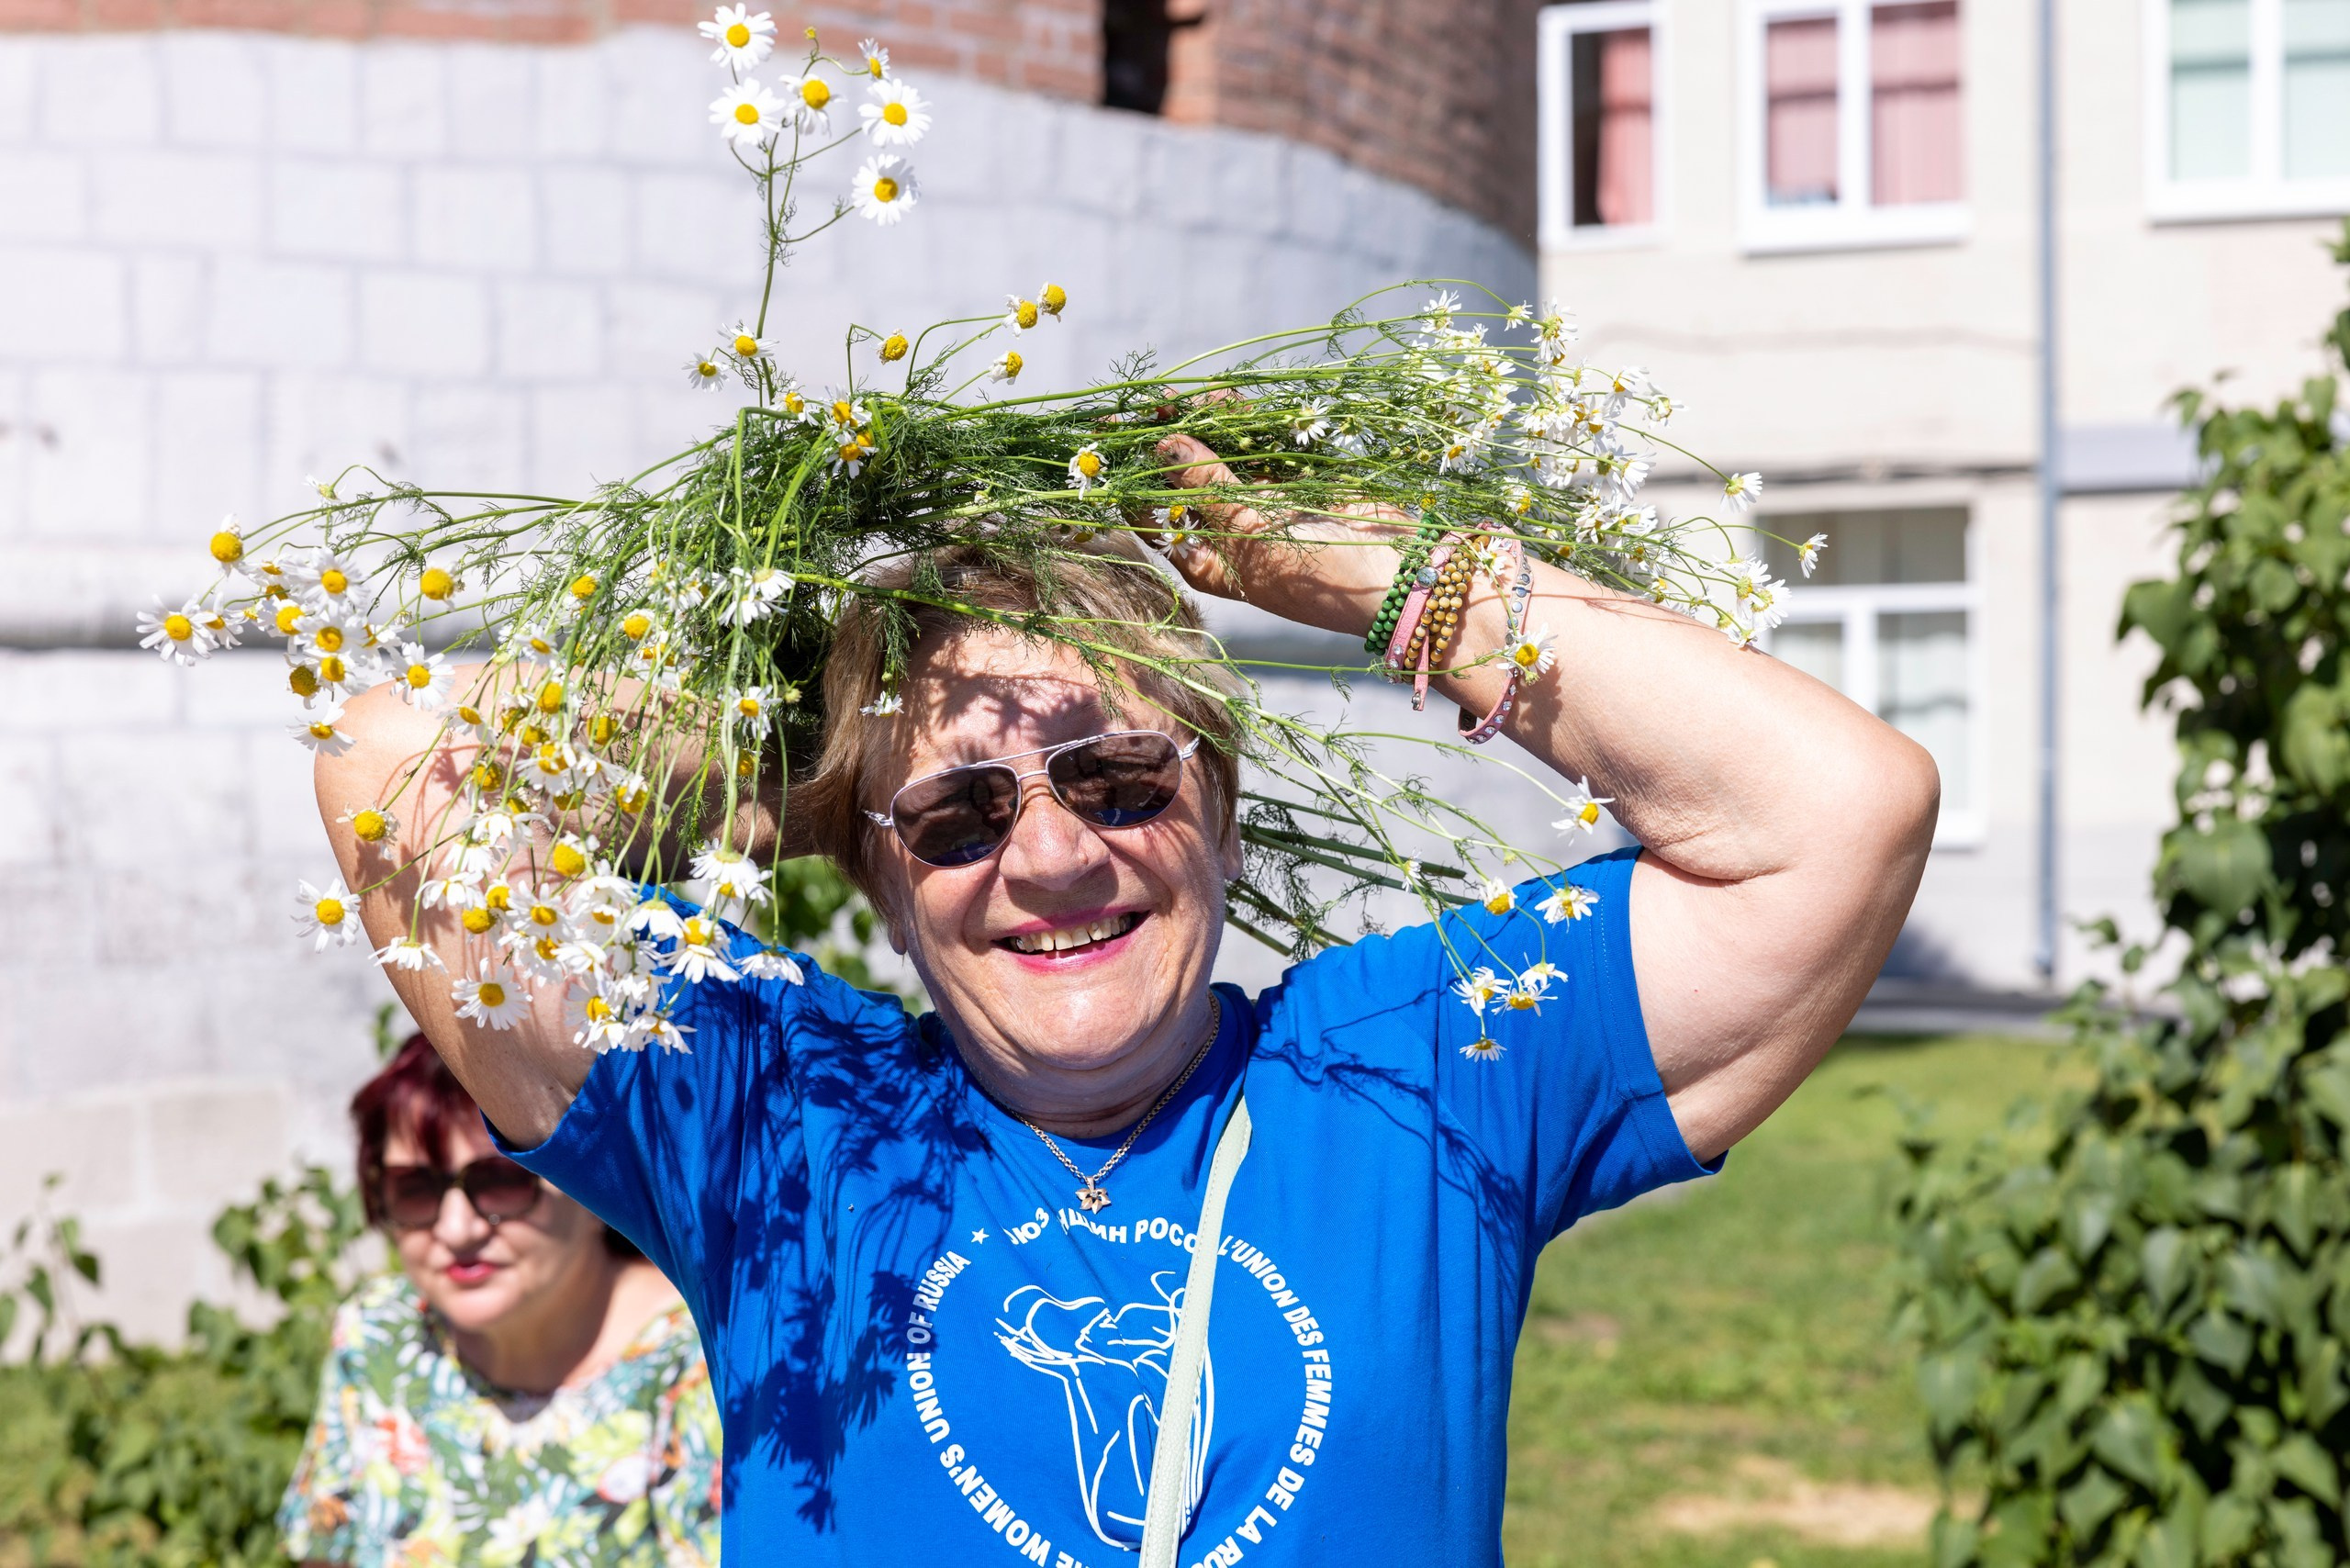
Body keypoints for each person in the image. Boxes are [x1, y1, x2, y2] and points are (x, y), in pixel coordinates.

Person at [316, 436, 1939, 1565]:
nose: (1050, 855)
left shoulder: (1417, 1066)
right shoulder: (776, 1116)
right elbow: (389, 766)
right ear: (878, 880)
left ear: (1221, 807)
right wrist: (763, 705)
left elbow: (1834, 811)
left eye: (1116, 776)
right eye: (957, 814)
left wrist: (1375, 575)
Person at [279, 1033, 722, 1568]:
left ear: (598, 1181)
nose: (456, 1228)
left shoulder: (695, 1357)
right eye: (414, 1188)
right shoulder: (378, 1336)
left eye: (500, 1183)